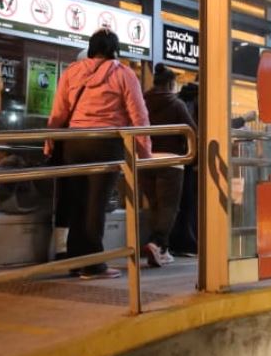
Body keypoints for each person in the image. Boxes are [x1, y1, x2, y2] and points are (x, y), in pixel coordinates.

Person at [47, 29, 151, 279]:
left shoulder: (72, 72)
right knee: (96, 203)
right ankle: (94, 264)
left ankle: (75, 259)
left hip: (74, 143)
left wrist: (50, 140)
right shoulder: (123, 73)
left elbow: (59, 111)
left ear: (91, 48)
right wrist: (144, 150)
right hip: (105, 143)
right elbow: (138, 115)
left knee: (77, 202)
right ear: (115, 50)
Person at [141, 64, 196, 266]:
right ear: (172, 84)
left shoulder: (142, 102)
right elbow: (192, 131)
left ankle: (160, 250)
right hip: (171, 161)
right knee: (169, 207)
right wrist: (192, 156)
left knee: (155, 205)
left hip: (145, 159)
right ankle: (157, 244)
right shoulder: (176, 104)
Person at [171, 80, 200, 256]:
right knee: (190, 203)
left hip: (174, 158)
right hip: (191, 160)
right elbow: (199, 128)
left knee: (178, 203)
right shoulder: (197, 102)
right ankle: (189, 243)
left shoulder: (178, 100)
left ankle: (174, 243)